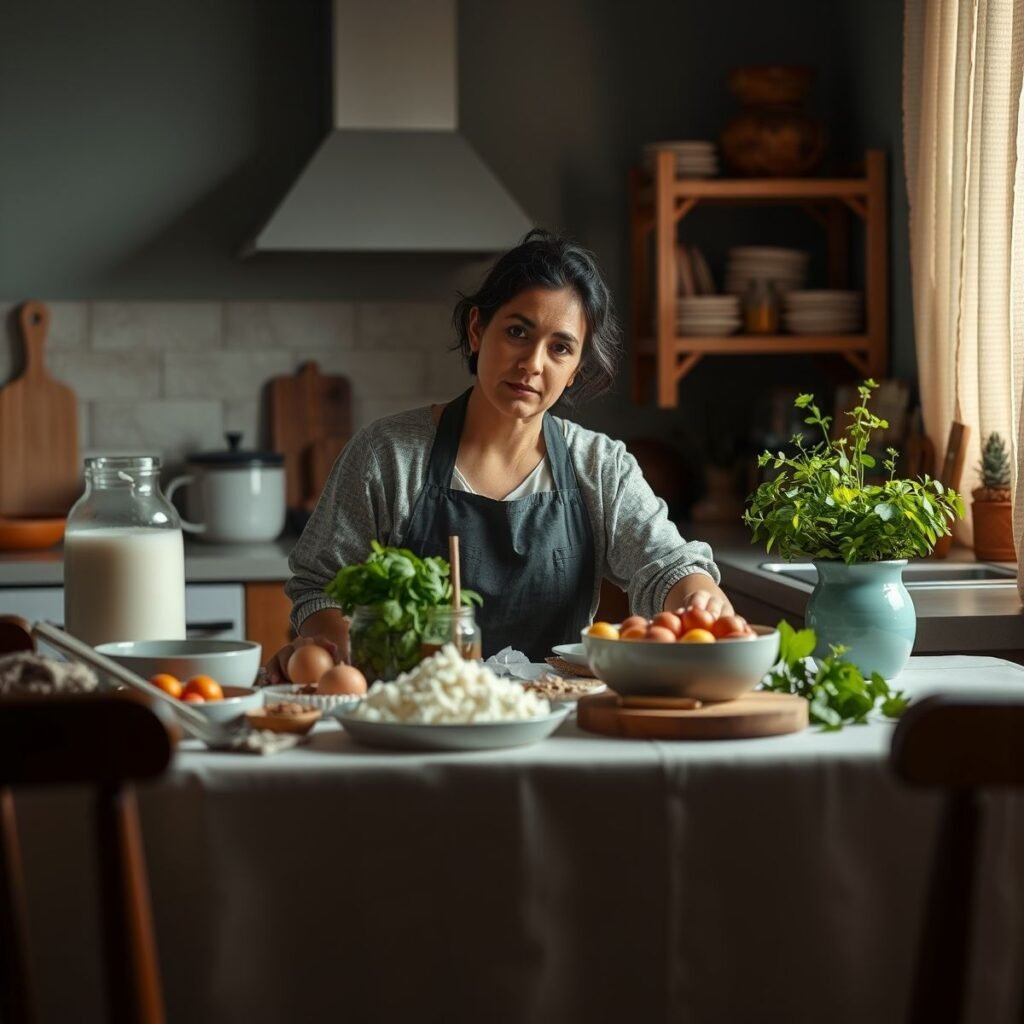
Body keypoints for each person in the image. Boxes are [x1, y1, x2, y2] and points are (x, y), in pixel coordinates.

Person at [265, 229, 733, 680]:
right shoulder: (387, 454)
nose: (533, 363)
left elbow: (666, 564)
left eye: (561, 348)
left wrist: (696, 595)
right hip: (418, 717)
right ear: (477, 329)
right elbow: (320, 585)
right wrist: (335, 647)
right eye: (517, 332)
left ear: (575, 370)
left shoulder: (599, 466)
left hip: (555, 722)